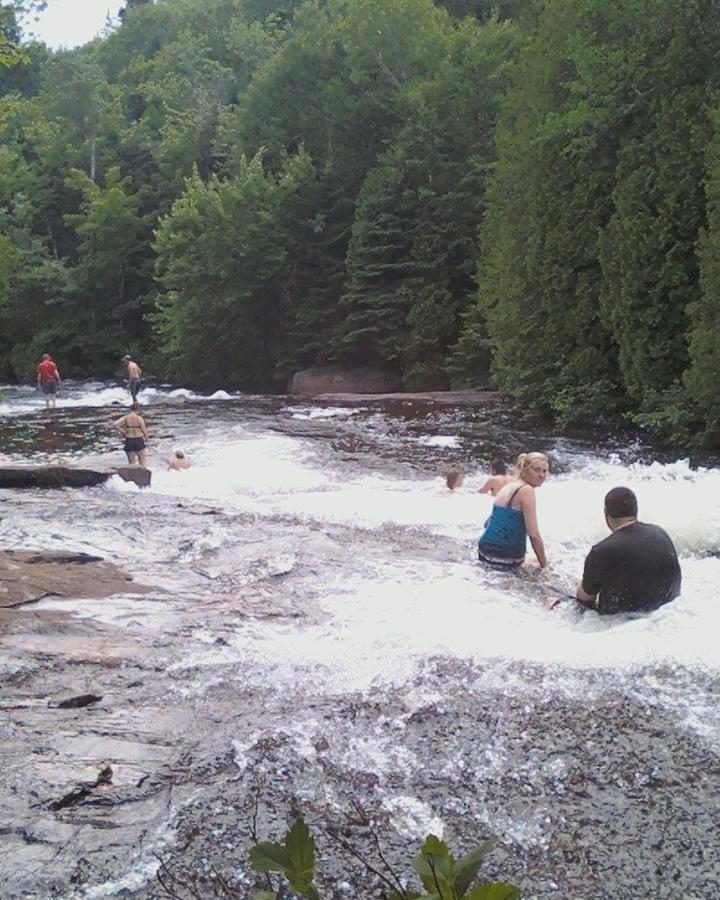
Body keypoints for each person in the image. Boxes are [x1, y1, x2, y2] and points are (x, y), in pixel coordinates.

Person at [576, 487, 681, 615]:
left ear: (606, 512)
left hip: (621, 623)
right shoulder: (660, 533)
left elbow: (585, 599)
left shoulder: (602, 551)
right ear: (636, 510)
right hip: (667, 612)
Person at [477, 452, 549, 569]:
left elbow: (487, 523)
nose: (541, 475)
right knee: (548, 560)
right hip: (506, 557)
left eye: (545, 471)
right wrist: (545, 567)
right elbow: (534, 535)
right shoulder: (527, 490)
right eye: (537, 470)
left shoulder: (509, 486)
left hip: (484, 551)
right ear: (525, 470)